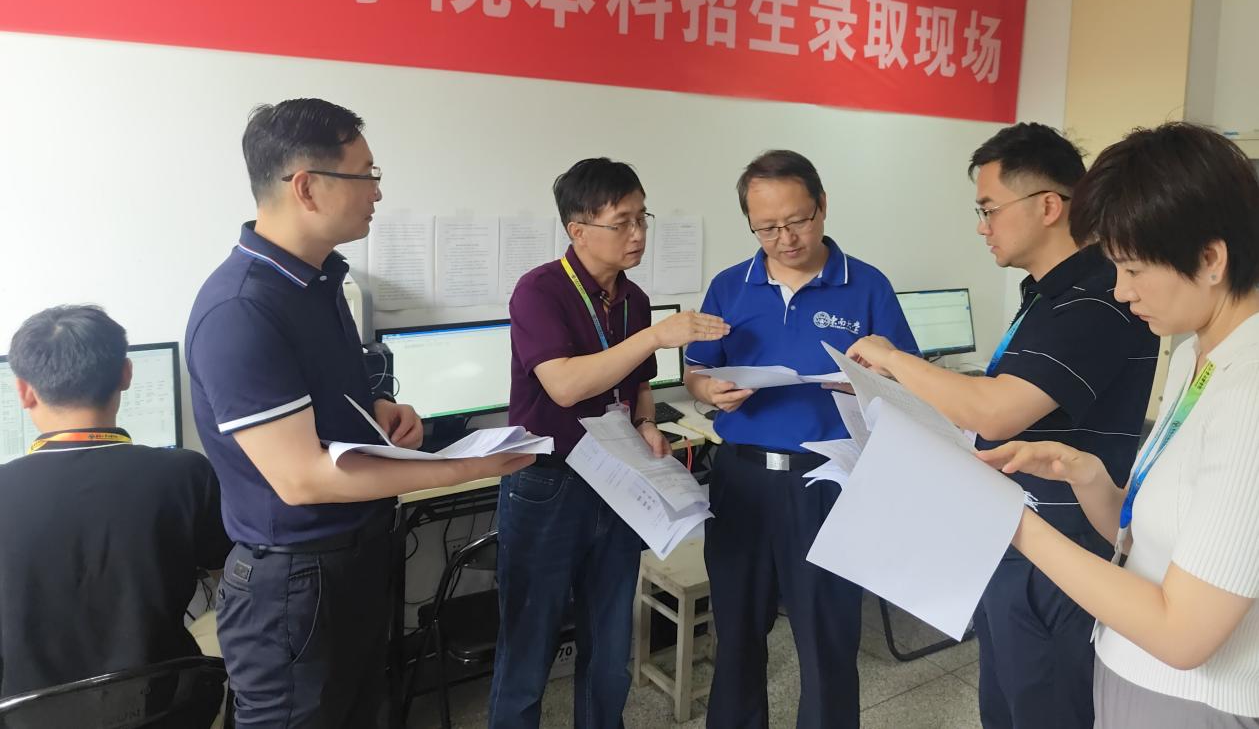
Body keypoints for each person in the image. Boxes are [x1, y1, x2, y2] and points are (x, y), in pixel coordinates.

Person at [186, 98, 532, 729]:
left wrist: (381, 410)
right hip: (294, 581)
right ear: (306, 187)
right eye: (366, 174)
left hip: (355, 558)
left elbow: (326, 399)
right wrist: (461, 468)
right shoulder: (241, 309)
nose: (377, 192)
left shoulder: (319, 282)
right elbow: (301, 478)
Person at [847, 122, 1159, 729]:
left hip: (1061, 546)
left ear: (1048, 206)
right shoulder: (1046, 294)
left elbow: (995, 409)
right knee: (1006, 703)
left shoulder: (1096, 297)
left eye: (989, 209)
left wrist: (894, 359)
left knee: (1043, 707)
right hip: (1015, 531)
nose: (981, 226)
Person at [978, 123, 1259, 728]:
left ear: (1210, 259)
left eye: (1132, 269)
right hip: (1130, 669)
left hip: (1193, 702)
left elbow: (1183, 634)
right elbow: (1144, 546)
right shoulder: (1196, 354)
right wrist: (1091, 480)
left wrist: (1014, 525)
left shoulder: (1250, 393)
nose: (1121, 291)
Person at [488, 157, 727, 729]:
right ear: (578, 229)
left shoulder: (633, 299)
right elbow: (565, 385)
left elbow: (638, 384)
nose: (638, 233)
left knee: (609, 643)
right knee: (529, 647)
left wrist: (646, 423)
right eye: (622, 222)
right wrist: (655, 336)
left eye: (642, 218)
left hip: (617, 478)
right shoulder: (540, 290)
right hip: (548, 483)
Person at [683, 149, 917, 729]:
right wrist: (709, 391)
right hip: (740, 482)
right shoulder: (729, 286)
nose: (785, 239)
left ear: (822, 206)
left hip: (825, 483)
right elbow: (696, 371)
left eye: (797, 221)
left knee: (826, 641)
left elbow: (907, 377)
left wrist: (870, 379)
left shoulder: (867, 286)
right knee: (736, 635)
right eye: (766, 228)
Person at [0, 304, 231, 727]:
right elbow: (231, 580)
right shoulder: (187, 473)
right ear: (126, 374)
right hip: (164, 710)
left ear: (24, 392)